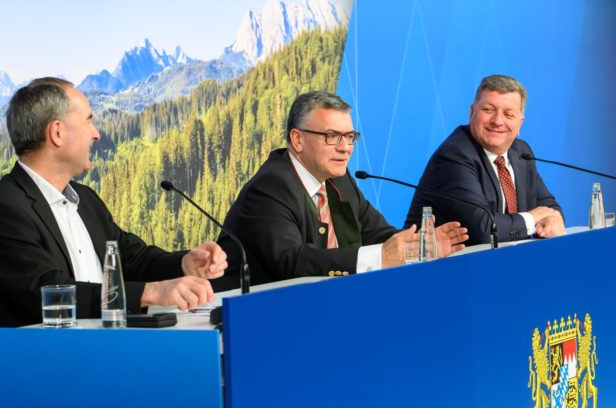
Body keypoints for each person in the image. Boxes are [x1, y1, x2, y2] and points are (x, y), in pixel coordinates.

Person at [0, 77, 227, 326]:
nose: (96, 134)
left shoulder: (86, 200)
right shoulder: (1, 210)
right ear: (57, 132)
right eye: (88, 121)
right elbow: (48, 291)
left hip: (104, 345)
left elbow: (132, 259)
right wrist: (150, 292)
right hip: (45, 353)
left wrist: (184, 263)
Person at [217, 91, 468, 285]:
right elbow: (291, 262)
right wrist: (381, 256)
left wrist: (418, 247)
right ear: (297, 139)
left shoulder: (338, 178)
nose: (345, 147)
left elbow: (378, 234)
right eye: (332, 136)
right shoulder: (271, 186)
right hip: (250, 315)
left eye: (349, 137)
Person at [405, 75, 564, 245]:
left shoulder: (521, 152)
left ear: (520, 123)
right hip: (443, 259)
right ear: (472, 113)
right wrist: (533, 218)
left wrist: (553, 219)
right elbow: (485, 229)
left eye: (508, 114)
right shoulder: (454, 155)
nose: (497, 121)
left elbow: (547, 205)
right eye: (488, 110)